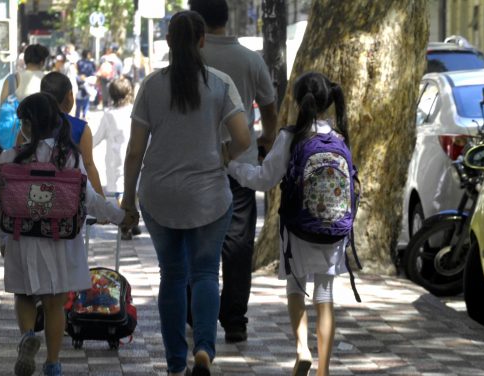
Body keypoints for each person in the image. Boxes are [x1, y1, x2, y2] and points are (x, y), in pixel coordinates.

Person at [120, 11, 250, 376]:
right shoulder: (221, 84)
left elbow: (134, 152)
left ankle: (176, 361)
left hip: (159, 195)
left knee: (172, 275)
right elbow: (243, 137)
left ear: (167, 41)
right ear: (202, 40)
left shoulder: (151, 86)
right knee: (206, 273)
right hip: (209, 194)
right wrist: (223, 154)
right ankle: (205, 350)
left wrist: (128, 201)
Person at [0, 92, 137, 376]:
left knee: (23, 294)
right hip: (60, 238)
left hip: (22, 236)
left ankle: (27, 337)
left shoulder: (10, 157)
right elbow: (91, 199)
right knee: (55, 302)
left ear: (27, 125)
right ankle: (53, 364)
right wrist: (121, 217)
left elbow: (1, 203)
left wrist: (1, 237)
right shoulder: (69, 157)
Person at [226, 72, 351, 376]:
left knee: (297, 287)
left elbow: (264, 179)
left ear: (295, 99)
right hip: (334, 230)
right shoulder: (338, 137)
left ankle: (302, 349)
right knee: (325, 295)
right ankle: (324, 369)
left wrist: (231, 166)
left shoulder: (290, 137)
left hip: (298, 228)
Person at [189, 0, 279, 344]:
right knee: (238, 244)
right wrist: (266, 142)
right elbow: (269, 110)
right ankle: (235, 320)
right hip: (242, 163)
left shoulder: (190, 58)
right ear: (226, 19)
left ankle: (194, 312)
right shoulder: (250, 59)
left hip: (197, 163)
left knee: (193, 236)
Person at [40, 71, 105, 197]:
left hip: (35, 196)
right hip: (69, 198)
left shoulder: (29, 126)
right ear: (70, 95)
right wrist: (102, 203)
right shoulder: (81, 128)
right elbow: (89, 165)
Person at [92, 77, 140, 239]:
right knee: (133, 189)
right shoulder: (136, 111)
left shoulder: (109, 115)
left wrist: (84, 145)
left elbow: (97, 137)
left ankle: (125, 224)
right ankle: (133, 219)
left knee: (120, 192)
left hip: (116, 159)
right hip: (136, 155)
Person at [75, 49, 97, 118]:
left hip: (80, 82)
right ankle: (84, 114)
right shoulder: (91, 63)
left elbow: (77, 71)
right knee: (86, 98)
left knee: (79, 98)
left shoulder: (79, 62)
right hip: (89, 82)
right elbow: (94, 72)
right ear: (88, 55)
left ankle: (77, 115)